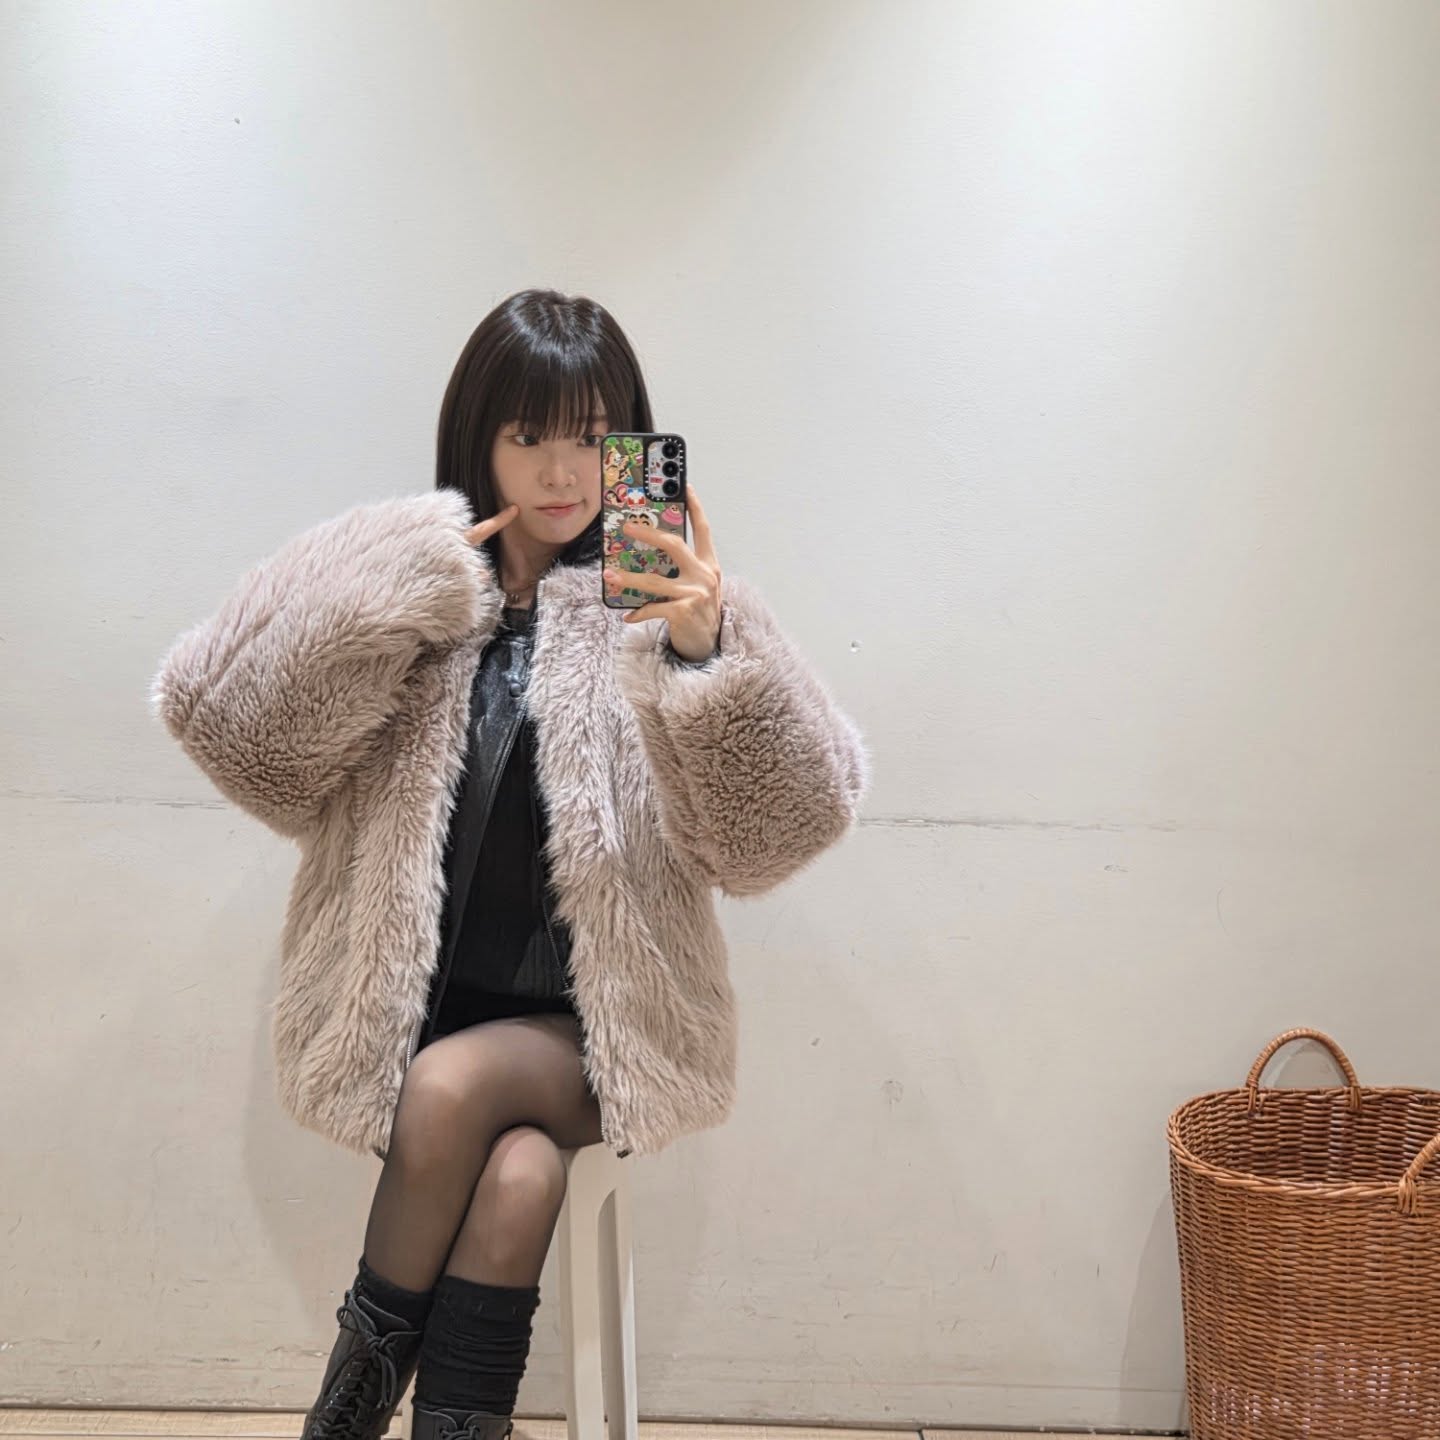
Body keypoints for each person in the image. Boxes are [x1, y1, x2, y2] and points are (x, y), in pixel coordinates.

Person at [151, 289, 867, 1440]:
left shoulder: (665, 612)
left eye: (589, 434)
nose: (561, 471)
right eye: (527, 434)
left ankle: (336, 1426)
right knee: (521, 1175)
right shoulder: (422, 609)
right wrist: (394, 580)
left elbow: (774, 836)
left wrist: (705, 659)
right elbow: (243, 743)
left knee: (453, 1091)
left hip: (604, 1037)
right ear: (478, 438)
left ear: (628, 440)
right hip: (417, 1018)